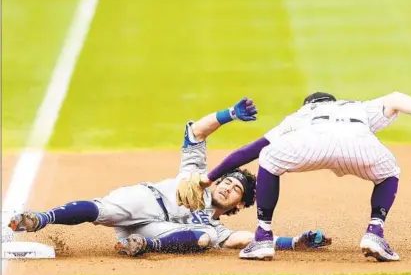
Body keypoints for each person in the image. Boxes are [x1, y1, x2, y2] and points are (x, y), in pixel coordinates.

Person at [8, 97, 331, 256]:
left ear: (238, 206)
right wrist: (229, 115)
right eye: (228, 181)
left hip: (155, 230)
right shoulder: (195, 177)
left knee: (203, 239)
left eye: (235, 191)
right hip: (145, 200)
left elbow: (245, 239)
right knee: (104, 209)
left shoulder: (215, 226)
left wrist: (294, 243)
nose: (228, 186)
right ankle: (39, 218)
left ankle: (138, 245)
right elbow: (196, 133)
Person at [201, 91, 411, 262]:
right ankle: (375, 232)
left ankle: (263, 237)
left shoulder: (301, 115)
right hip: (357, 142)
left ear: (309, 104)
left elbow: (248, 151)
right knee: (389, 173)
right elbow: (396, 98)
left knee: (268, 158)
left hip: (310, 144)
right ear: (333, 102)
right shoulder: (357, 107)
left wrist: (209, 178)